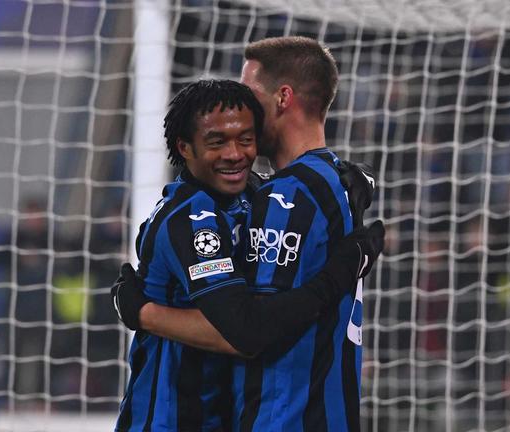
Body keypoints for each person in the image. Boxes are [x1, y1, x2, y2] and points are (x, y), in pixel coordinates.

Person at [114, 37, 383, 432]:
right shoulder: (193, 216)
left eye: (243, 137)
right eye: (217, 141)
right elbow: (246, 331)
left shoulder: (278, 194)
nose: (235, 152)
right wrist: (144, 315)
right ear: (185, 149)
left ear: (282, 98)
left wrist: (145, 314)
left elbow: (249, 330)